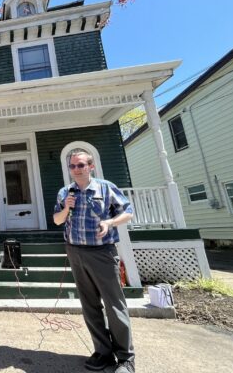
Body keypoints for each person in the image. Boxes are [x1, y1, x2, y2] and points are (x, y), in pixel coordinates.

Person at [53, 150, 135, 373]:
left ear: (91, 166)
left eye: (80, 165)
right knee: (89, 305)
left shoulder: (105, 187)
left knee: (114, 305)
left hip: (102, 253)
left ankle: (126, 358)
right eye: (72, 166)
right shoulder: (65, 192)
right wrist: (66, 207)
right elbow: (58, 220)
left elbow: (128, 212)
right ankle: (103, 352)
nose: (76, 170)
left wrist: (110, 222)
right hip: (75, 252)